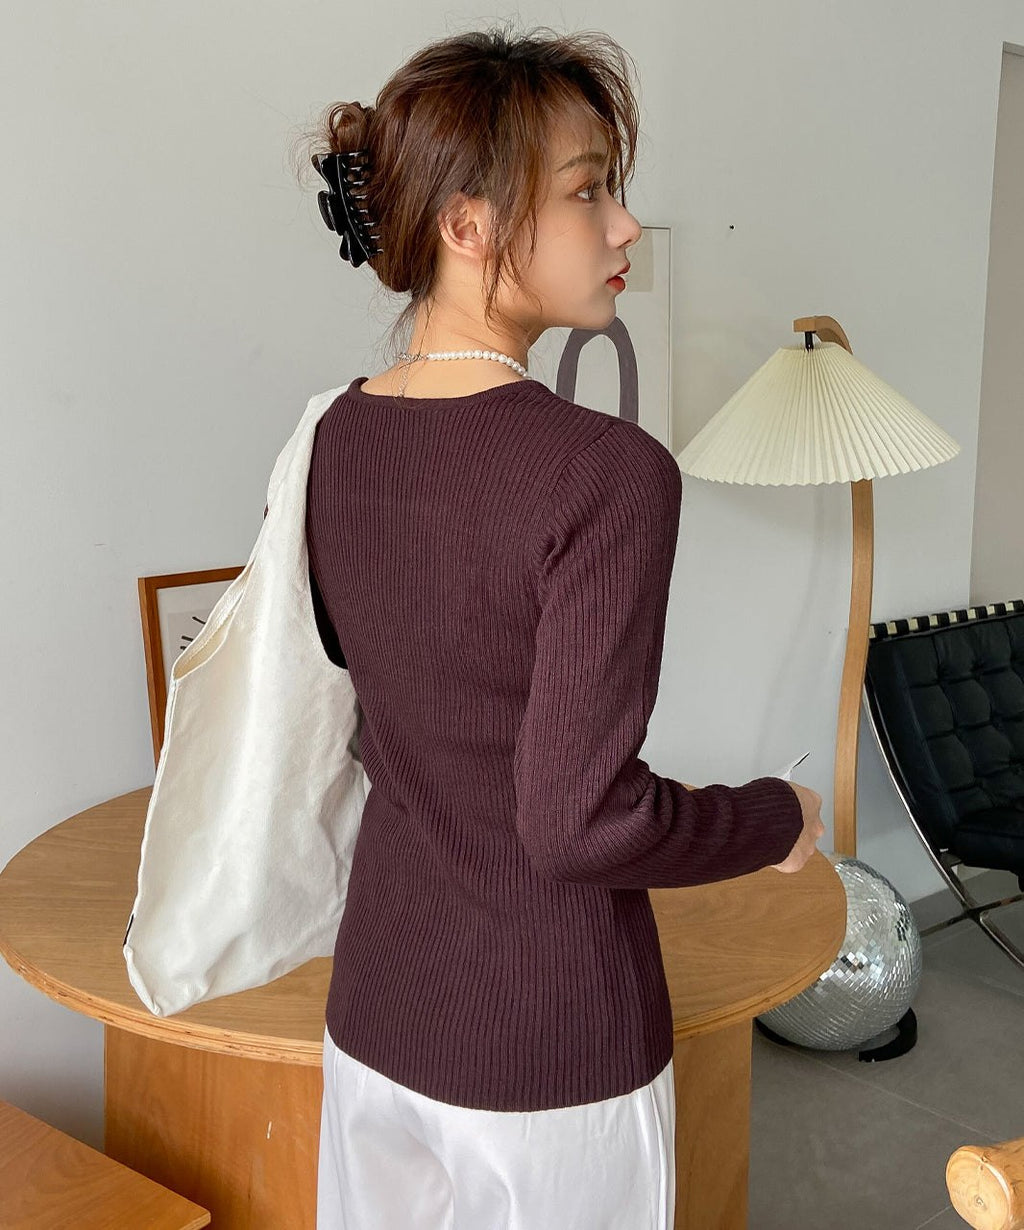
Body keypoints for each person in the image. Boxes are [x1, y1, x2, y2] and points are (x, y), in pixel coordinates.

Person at [290, 21, 825, 1230]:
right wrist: (774, 818)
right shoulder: (604, 472)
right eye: (588, 192)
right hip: (549, 1040)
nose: (626, 226)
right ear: (466, 225)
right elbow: (581, 822)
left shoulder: (335, 436)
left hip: (377, 1002)